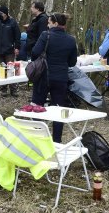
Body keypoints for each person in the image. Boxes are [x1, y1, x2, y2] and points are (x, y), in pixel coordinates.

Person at [30, 12, 78, 142]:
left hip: (43, 76)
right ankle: (57, 140)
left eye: (49, 22)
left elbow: (34, 53)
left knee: (37, 107)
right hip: (61, 78)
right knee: (59, 109)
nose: (47, 25)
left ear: (55, 23)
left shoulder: (46, 35)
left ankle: (38, 138)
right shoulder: (71, 39)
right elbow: (72, 62)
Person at [0, 6, 21, 96]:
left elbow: (17, 36)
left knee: (11, 70)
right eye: (0, 14)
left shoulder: (12, 22)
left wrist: (17, 47)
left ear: (6, 14)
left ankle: (13, 89)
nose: (1, 15)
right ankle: (3, 89)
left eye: (3, 14)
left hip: (9, 50)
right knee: (2, 70)